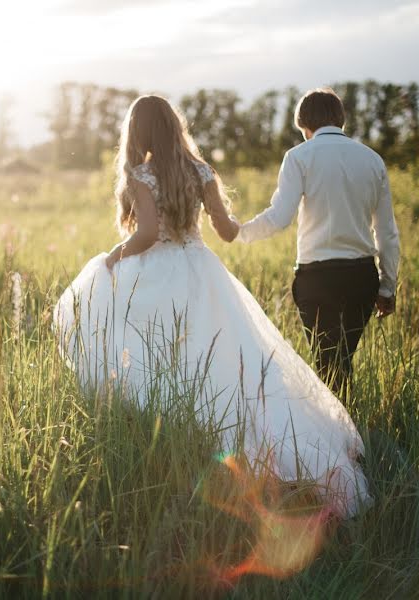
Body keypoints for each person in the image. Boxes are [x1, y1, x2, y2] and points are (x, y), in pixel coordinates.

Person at [53, 95, 372, 517]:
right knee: (227, 359)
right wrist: (245, 224)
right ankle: (274, 453)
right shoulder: (201, 171)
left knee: (153, 350)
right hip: (202, 269)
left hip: (158, 270)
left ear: (138, 132)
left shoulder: (140, 175)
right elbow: (224, 230)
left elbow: (147, 234)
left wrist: (114, 255)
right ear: (174, 127)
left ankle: (169, 435)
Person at [237, 88, 400, 398]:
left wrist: (240, 232)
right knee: (339, 362)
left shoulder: (298, 157)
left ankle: (337, 437)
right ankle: (348, 429)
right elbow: (387, 231)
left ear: (302, 124)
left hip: (316, 277)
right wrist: (387, 287)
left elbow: (280, 217)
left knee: (329, 365)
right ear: (341, 119)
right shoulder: (372, 160)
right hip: (361, 276)